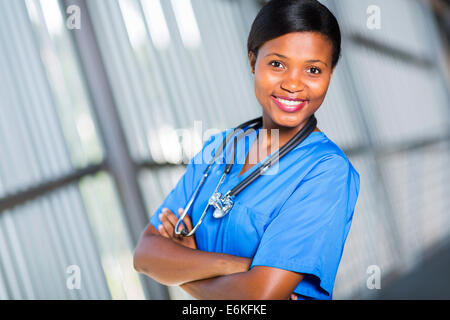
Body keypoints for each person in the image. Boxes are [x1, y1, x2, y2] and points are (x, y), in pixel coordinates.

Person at [134, 0, 360, 300]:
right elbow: (145, 255)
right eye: (277, 64)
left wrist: (183, 271)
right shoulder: (218, 149)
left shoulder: (326, 171)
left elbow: (259, 299)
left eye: (313, 70)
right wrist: (234, 266)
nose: (293, 84)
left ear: (330, 74)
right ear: (253, 61)